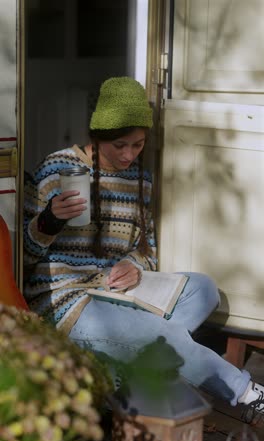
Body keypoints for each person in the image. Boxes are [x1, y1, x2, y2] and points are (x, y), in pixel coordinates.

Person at [24, 76, 263, 422]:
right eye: (119, 145)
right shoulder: (57, 169)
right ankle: (245, 391)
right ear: (97, 136)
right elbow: (26, 256)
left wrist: (134, 265)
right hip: (65, 298)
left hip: (115, 291)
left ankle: (127, 374)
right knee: (163, 335)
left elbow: (146, 249)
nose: (128, 155)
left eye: (137, 145)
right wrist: (49, 220)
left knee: (204, 290)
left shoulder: (140, 180)